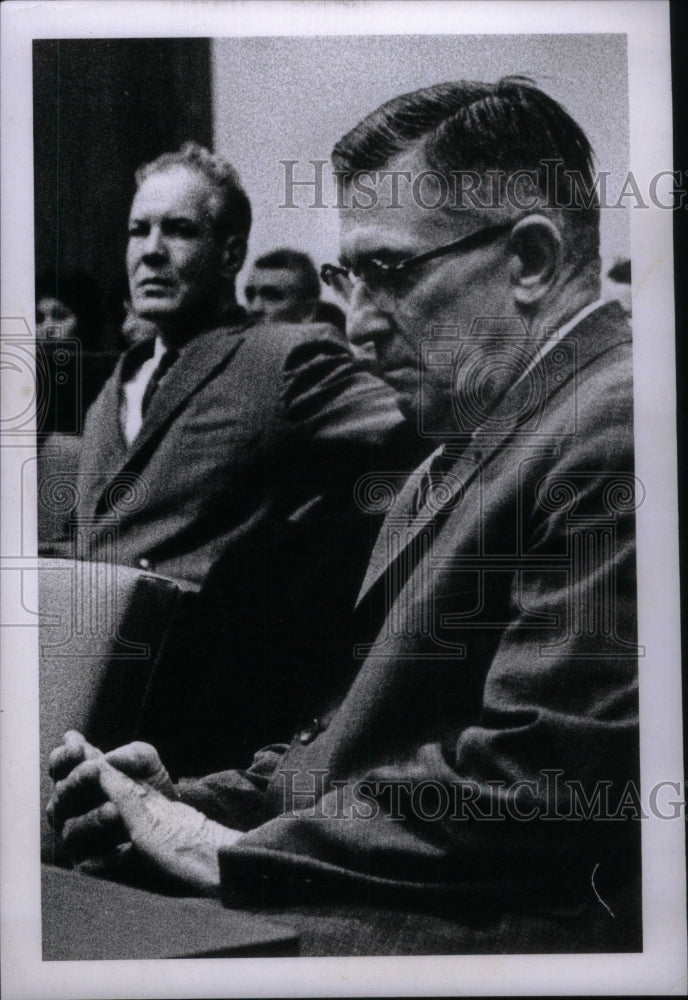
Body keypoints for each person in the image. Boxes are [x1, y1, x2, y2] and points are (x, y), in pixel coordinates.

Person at [48, 80, 639, 953]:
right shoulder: (472, 440)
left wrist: (237, 848)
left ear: (531, 261)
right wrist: (194, 803)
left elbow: (543, 787)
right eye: (345, 277)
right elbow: (361, 749)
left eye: (389, 273)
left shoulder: (619, 424)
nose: (357, 326)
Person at [70, 143, 408, 588]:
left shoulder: (287, 356)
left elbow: (420, 434)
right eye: (138, 230)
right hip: (87, 643)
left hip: (198, 646)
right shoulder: (117, 383)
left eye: (179, 230)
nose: (150, 251)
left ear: (230, 256)